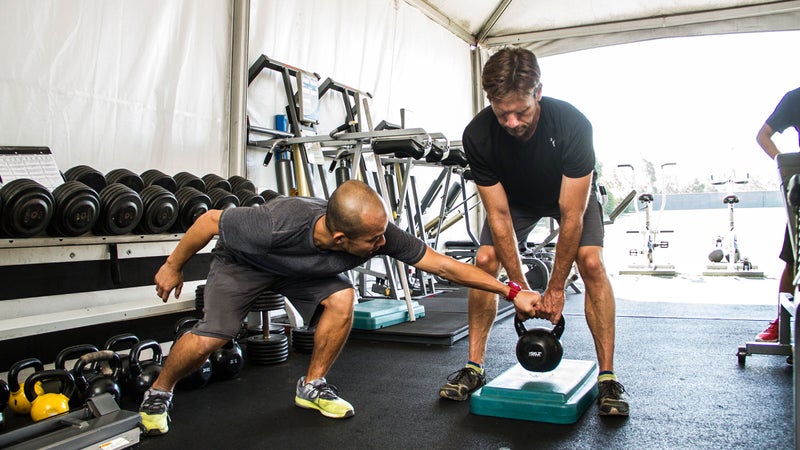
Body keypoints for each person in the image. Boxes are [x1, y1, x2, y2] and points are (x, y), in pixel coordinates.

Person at [138, 179, 542, 435]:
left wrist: (511, 291)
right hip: (247, 263)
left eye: (383, 234)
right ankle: (160, 391)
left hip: (304, 271)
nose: (383, 245)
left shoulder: (377, 233)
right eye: (373, 240)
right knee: (216, 334)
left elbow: (443, 264)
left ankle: (311, 386)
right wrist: (173, 266)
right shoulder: (273, 223)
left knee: (343, 298)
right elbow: (209, 221)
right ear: (339, 237)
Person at [437, 46, 629, 416]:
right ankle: (474, 366)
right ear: (490, 100)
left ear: (538, 92)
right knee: (485, 257)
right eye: (501, 112)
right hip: (516, 202)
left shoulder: (572, 124)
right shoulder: (478, 135)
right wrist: (518, 288)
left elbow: (571, 216)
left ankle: (608, 377)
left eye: (521, 111)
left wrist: (556, 289)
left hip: (571, 197)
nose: (511, 122)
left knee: (591, 262)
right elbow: (499, 214)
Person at [754, 86, 800, 342]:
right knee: (793, 259)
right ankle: (781, 325)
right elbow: (763, 136)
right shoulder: (796, 98)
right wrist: (788, 168)